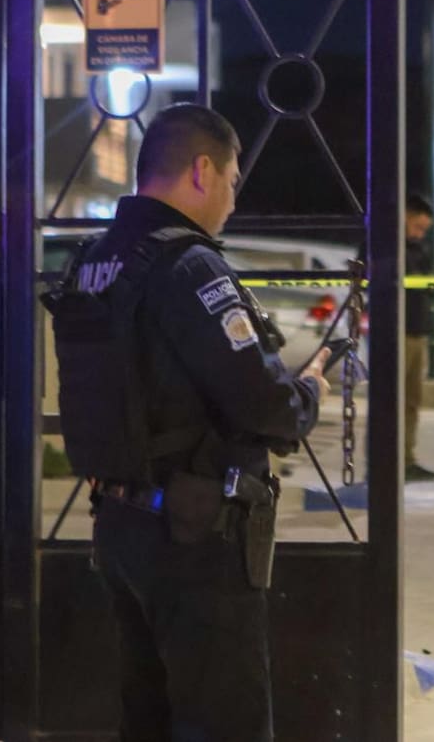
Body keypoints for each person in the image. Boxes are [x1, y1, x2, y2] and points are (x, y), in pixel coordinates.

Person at [45, 103, 331, 742]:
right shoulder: (189, 265)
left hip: (120, 525)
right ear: (202, 171)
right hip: (195, 535)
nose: (232, 201)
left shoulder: (94, 259)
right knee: (222, 721)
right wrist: (307, 390)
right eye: (232, 181)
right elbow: (266, 407)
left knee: (147, 716)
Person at [403, 192, 434, 482]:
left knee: (412, 401)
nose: (420, 233)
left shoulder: (419, 250)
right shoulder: (385, 245)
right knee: (392, 400)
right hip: (395, 334)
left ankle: (406, 459)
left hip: (417, 332)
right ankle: (386, 460)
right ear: (404, 216)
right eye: (417, 226)